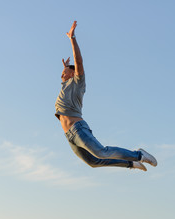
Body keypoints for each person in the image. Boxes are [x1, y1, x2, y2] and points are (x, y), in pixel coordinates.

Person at [55, 21, 157, 171]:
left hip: (77, 129)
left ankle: (139, 155)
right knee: (93, 162)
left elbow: (79, 61)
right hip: (69, 135)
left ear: (73, 73)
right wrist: (65, 68)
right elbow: (66, 74)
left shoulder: (78, 83)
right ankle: (130, 163)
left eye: (65, 71)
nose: (62, 73)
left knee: (101, 152)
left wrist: (72, 38)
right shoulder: (65, 86)